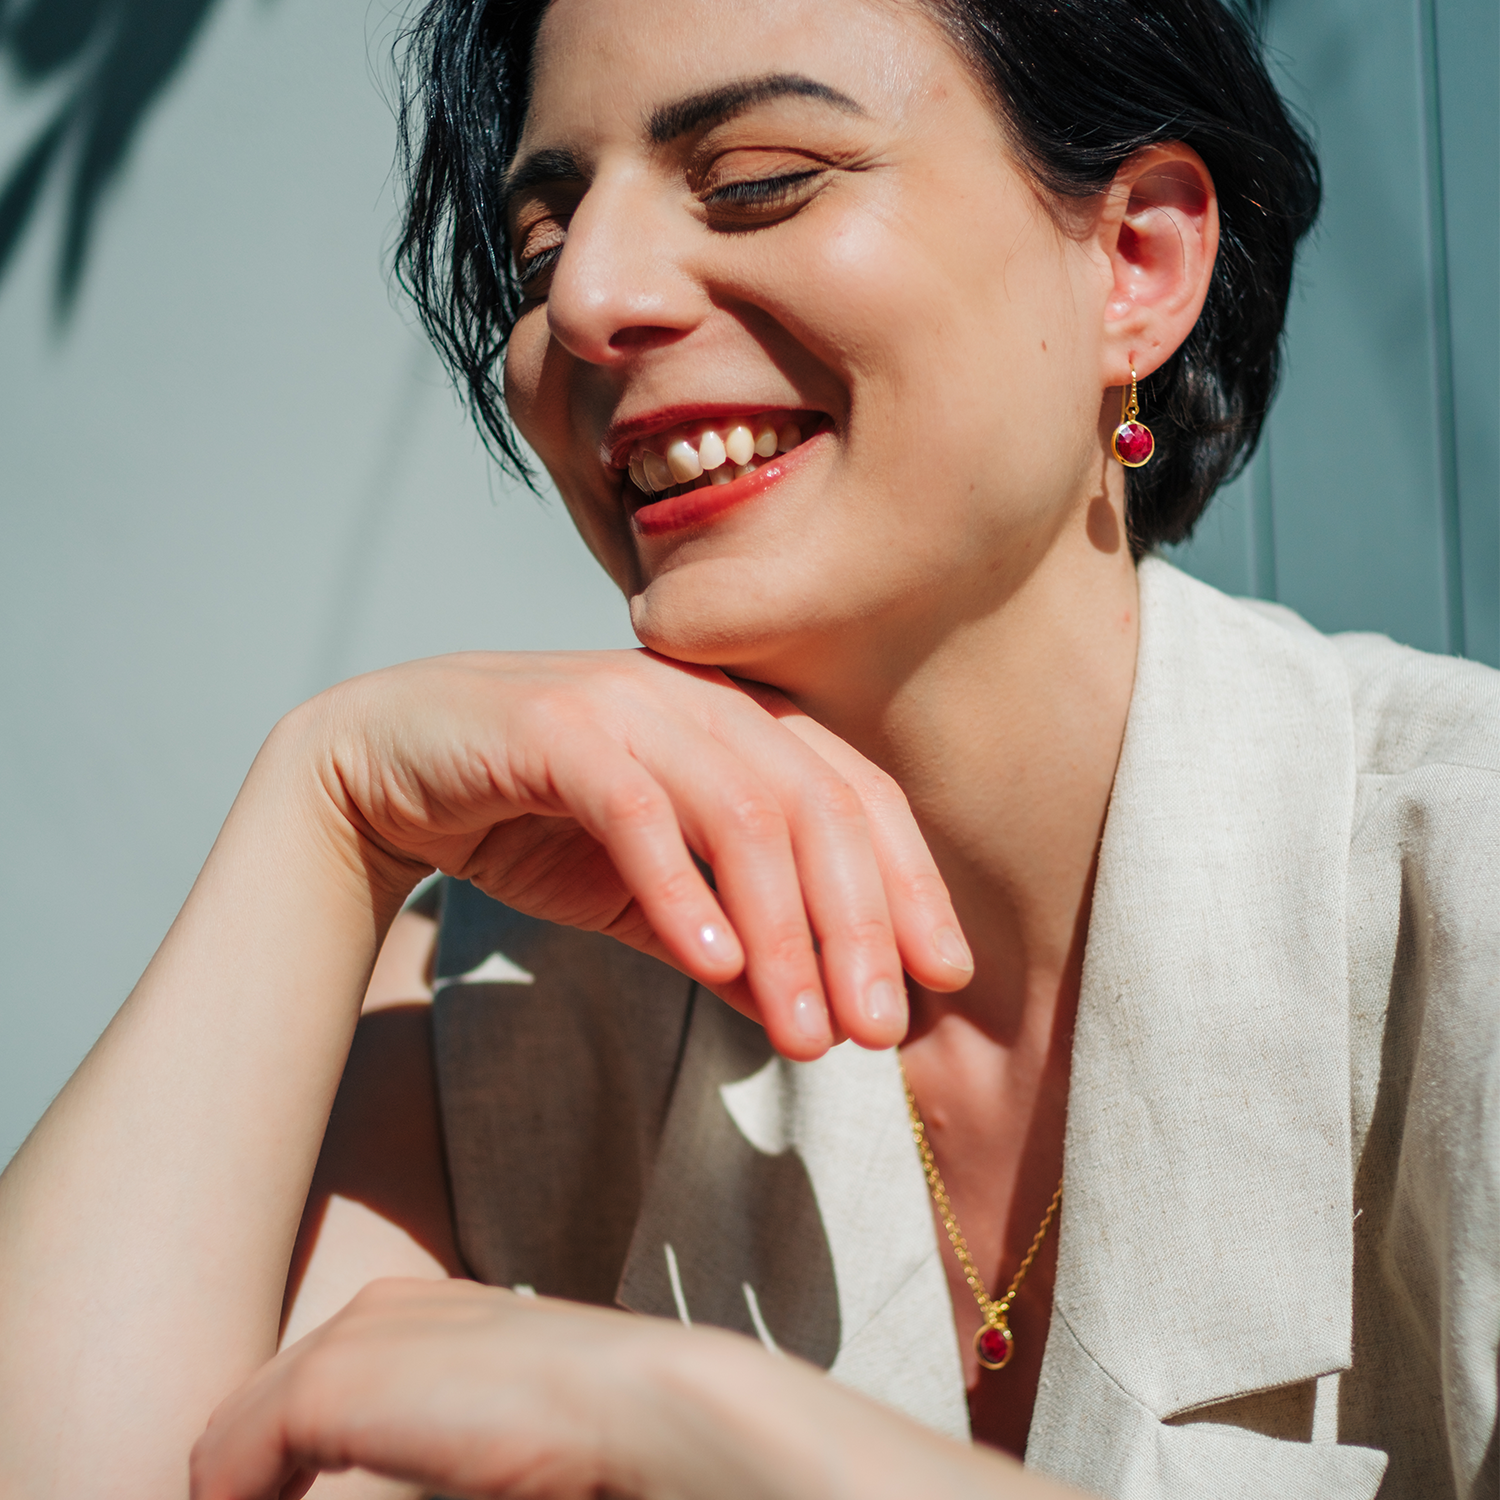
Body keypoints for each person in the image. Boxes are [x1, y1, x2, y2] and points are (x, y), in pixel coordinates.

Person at [1, 0, 1495, 1496]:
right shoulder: (506, 988)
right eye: (537, 249)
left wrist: (718, 1438)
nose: (584, 300)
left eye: (758, 180)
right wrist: (323, 812)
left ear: (1136, 262)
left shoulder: (1462, 876)